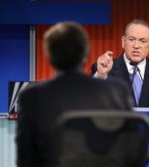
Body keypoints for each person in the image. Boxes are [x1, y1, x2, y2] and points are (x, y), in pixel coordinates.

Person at [16, 22, 133, 167]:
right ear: (86, 54)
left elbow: (26, 159)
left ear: (49, 56)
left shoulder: (31, 97)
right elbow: (128, 153)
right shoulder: (117, 92)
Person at [92, 19, 149, 109]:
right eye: (132, 39)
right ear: (123, 42)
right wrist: (101, 75)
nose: (136, 46)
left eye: (143, 41)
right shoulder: (104, 69)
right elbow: (90, 102)